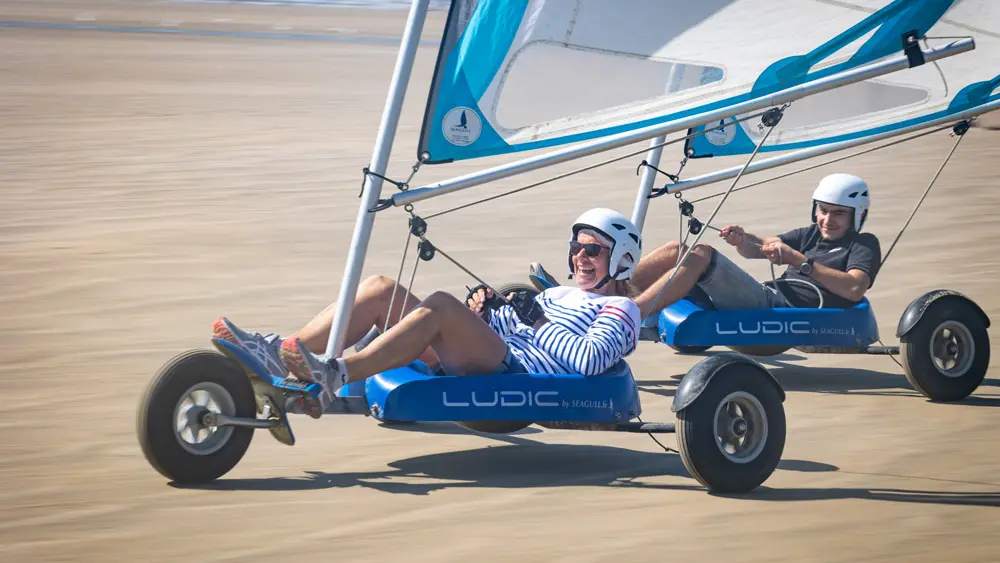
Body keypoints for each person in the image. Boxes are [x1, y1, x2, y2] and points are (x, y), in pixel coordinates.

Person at [212, 208, 643, 418]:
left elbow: (589, 360)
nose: (581, 257)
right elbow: (516, 329)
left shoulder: (620, 308)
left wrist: (536, 321)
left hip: (518, 374)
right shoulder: (559, 294)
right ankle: (278, 353)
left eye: (593, 250)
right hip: (496, 354)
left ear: (621, 258)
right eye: (576, 247)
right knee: (381, 288)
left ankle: (335, 374)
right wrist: (490, 313)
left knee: (439, 305)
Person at [531, 173, 882, 318]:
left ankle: (628, 313)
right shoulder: (810, 234)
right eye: (823, 211)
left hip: (779, 308)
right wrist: (744, 240)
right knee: (677, 250)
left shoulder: (863, 244)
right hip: (765, 294)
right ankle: (599, 293)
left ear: (858, 215)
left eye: (839, 214)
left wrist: (800, 262)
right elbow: (761, 248)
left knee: (702, 256)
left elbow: (854, 288)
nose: (827, 220)